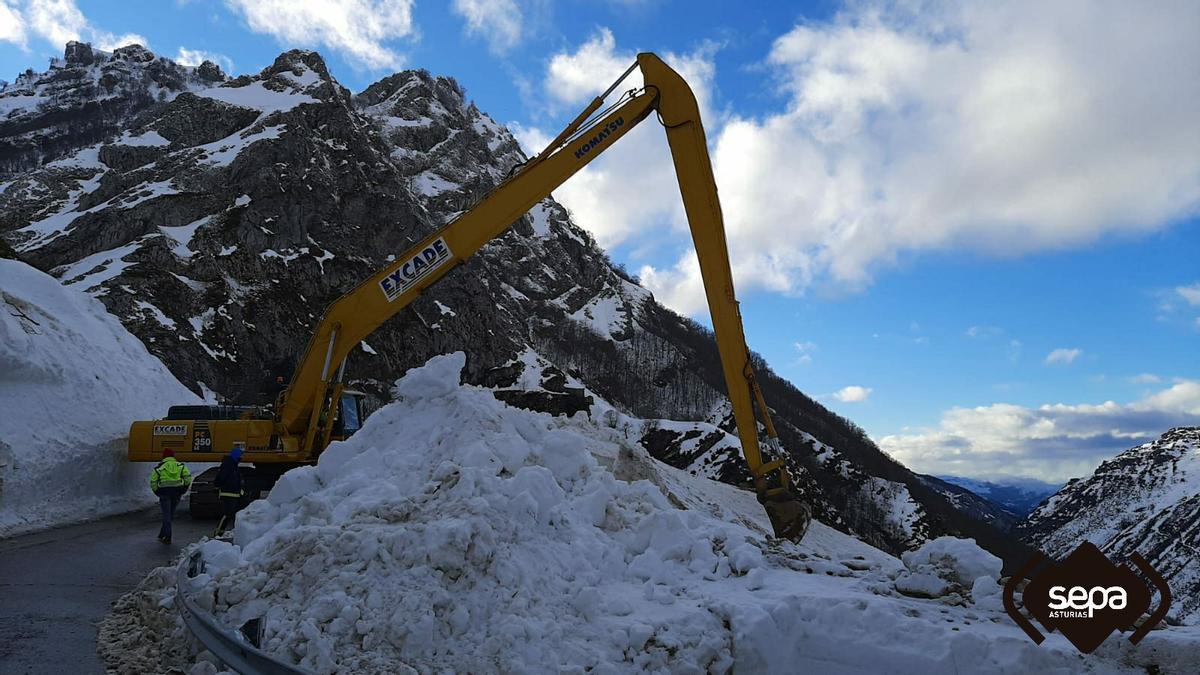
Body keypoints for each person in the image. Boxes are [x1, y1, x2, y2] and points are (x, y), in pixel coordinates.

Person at [150, 449, 191, 544]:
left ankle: (167, 537)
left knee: (166, 515)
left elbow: (153, 482)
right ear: (173, 456)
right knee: (170, 515)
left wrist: (158, 492)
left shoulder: (159, 468)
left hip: (164, 493)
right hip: (177, 493)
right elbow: (188, 478)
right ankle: (162, 534)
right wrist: (183, 489)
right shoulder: (180, 466)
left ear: (164, 456)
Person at [214, 443, 245, 536]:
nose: (241, 457)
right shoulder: (228, 465)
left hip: (235, 493)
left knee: (237, 513)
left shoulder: (233, 465)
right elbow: (220, 478)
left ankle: (238, 532)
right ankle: (218, 533)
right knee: (228, 514)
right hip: (228, 493)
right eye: (240, 455)